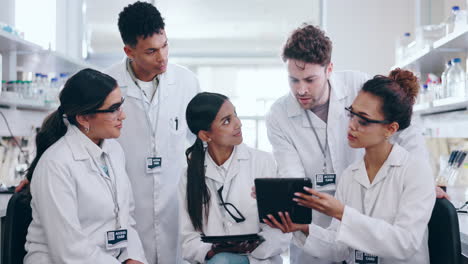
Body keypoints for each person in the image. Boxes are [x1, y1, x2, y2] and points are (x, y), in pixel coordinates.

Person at [265, 24, 444, 264]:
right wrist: (282, 198)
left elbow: (402, 122)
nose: (301, 89)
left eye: (310, 79)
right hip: (322, 225)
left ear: (329, 69)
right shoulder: (280, 115)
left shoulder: (358, 86)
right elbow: (291, 175)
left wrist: (421, 182)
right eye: (293, 80)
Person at [104, 2, 200, 263]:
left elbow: (198, 143)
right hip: (127, 204)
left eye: (165, 45)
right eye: (151, 51)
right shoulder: (106, 84)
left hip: (175, 204)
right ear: (129, 51)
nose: (163, 57)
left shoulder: (187, 82)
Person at [23, 69, 147, 264]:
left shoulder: (114, 151)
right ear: (83, 118)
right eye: (113, 109)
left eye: (120, 105)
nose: (122, 116)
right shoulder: (56, 164)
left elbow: (126, 218)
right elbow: (69, 249)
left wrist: (133, 257)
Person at [178, 92, 290, 264]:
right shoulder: (189, 175)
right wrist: (213, 254)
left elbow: (280, 230)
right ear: (205, 135)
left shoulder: (263, 162)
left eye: (235, 115)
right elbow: (189, 238)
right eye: (227, 121)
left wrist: (247, 252)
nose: (238, 124)